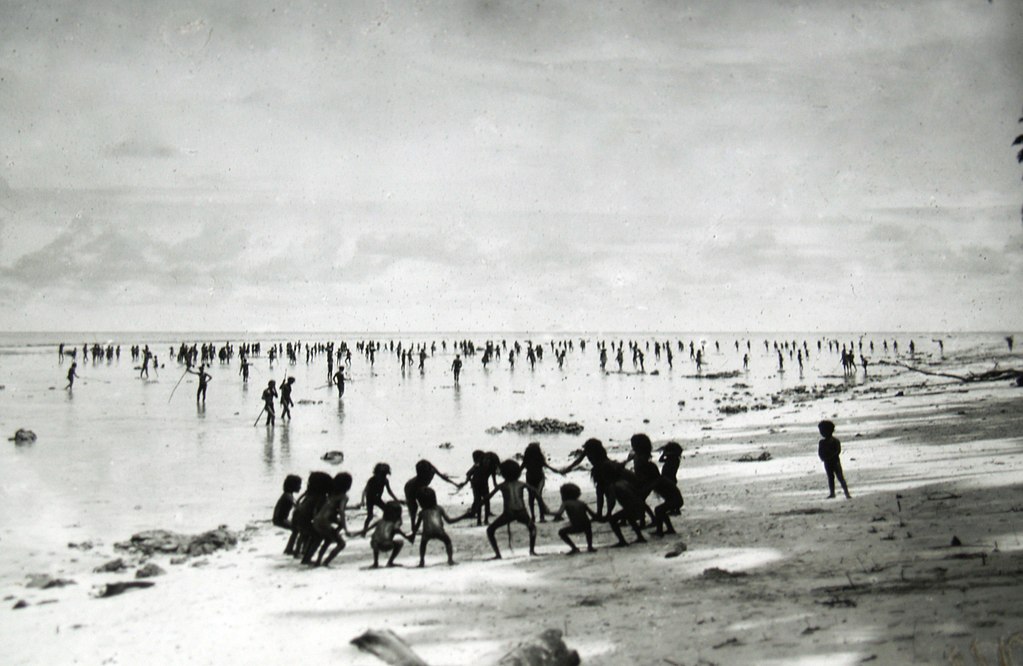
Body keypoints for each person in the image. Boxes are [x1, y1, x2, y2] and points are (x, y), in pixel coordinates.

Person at [485, 459, 549, 559]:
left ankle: (498, 554)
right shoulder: (522, 484)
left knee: (490, 530)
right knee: (532, 528)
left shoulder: (502, 485)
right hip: (521, 512)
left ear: (503, 473)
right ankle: (531, 550)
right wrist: (543, 505)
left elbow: (488, 497)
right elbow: (536, 493)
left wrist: (476, 507)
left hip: (508, 513)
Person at [305, 472, 353, 566]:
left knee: (328, 539)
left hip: (317, 520)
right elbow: (341, 511)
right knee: (341, 544)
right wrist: (345, 527)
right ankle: (326, 562)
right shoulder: (344, 497)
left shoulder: (331, 495)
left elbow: (326, 508)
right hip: (324, 522)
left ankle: (319, 561)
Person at [411, 487, 463, 567]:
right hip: (439, 531)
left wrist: (413, 525)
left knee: (423, 544)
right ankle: (450, 560)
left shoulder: (422, 512)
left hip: (427, 533)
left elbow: (416, 528)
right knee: (447, 542)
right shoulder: (439, 509)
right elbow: (449, 521)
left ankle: (422, 561)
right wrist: (463, 516)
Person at [403, 460, 459, 527]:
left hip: (420, 487)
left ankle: (429, 524)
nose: (425, 475)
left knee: (428, 506)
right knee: (413, 507)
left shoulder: (432, 470)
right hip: (410, 488)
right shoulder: (419, 478)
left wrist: (455, 484)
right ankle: (413, 526)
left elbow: (442, 477)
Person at [551, 483, 599, 554]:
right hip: (586, 525)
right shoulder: (581, 503)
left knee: (561, 532)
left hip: (576, 526)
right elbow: (593, 515)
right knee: (588, 528)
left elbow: (559, 513)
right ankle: (590, 546)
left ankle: (574, 548)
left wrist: (548, 512)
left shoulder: (566, 503)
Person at [362, 501, 411, 568]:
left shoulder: (380, 521)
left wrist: (353, 534)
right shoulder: (393, 523)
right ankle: (390, 562)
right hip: (386, 544)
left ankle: (375, 563)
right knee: (400, 543)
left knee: (375, 539)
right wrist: (407, 537)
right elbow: (397, 530)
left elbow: (365, 530)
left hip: (374, 544)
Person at [522, 442, 560, 523]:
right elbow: (548, 466)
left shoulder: (527, 459)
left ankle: (533, 517)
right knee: (539, 496)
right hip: (539, 478)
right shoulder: (539, 458)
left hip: (530, 479)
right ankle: (541, 517)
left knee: (531, 498)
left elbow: (519, 469)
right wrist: (558, 471)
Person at [359, 463, 401, 532]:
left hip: (378, 499)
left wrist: (396, 499)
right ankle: (364, 530)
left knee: (387, 512)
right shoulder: (372, 480)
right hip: (370, 499)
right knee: (370, 516)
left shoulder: (385, 480)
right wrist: (362, 500)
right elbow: (365, 491)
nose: (383, 476)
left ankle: (385, 528)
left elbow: (389, 491)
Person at [817, 420, 851, 499]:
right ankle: (833, 493)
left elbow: (837, 451)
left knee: (840, 477)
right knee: (831, 477)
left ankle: (846, 493)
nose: (821, 433)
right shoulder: (822, 442)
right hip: (829, 462)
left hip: (834, 462)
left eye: (822, 431)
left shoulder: (834, 441)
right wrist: (823, 458)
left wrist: (827, 457)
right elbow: (820, 452)